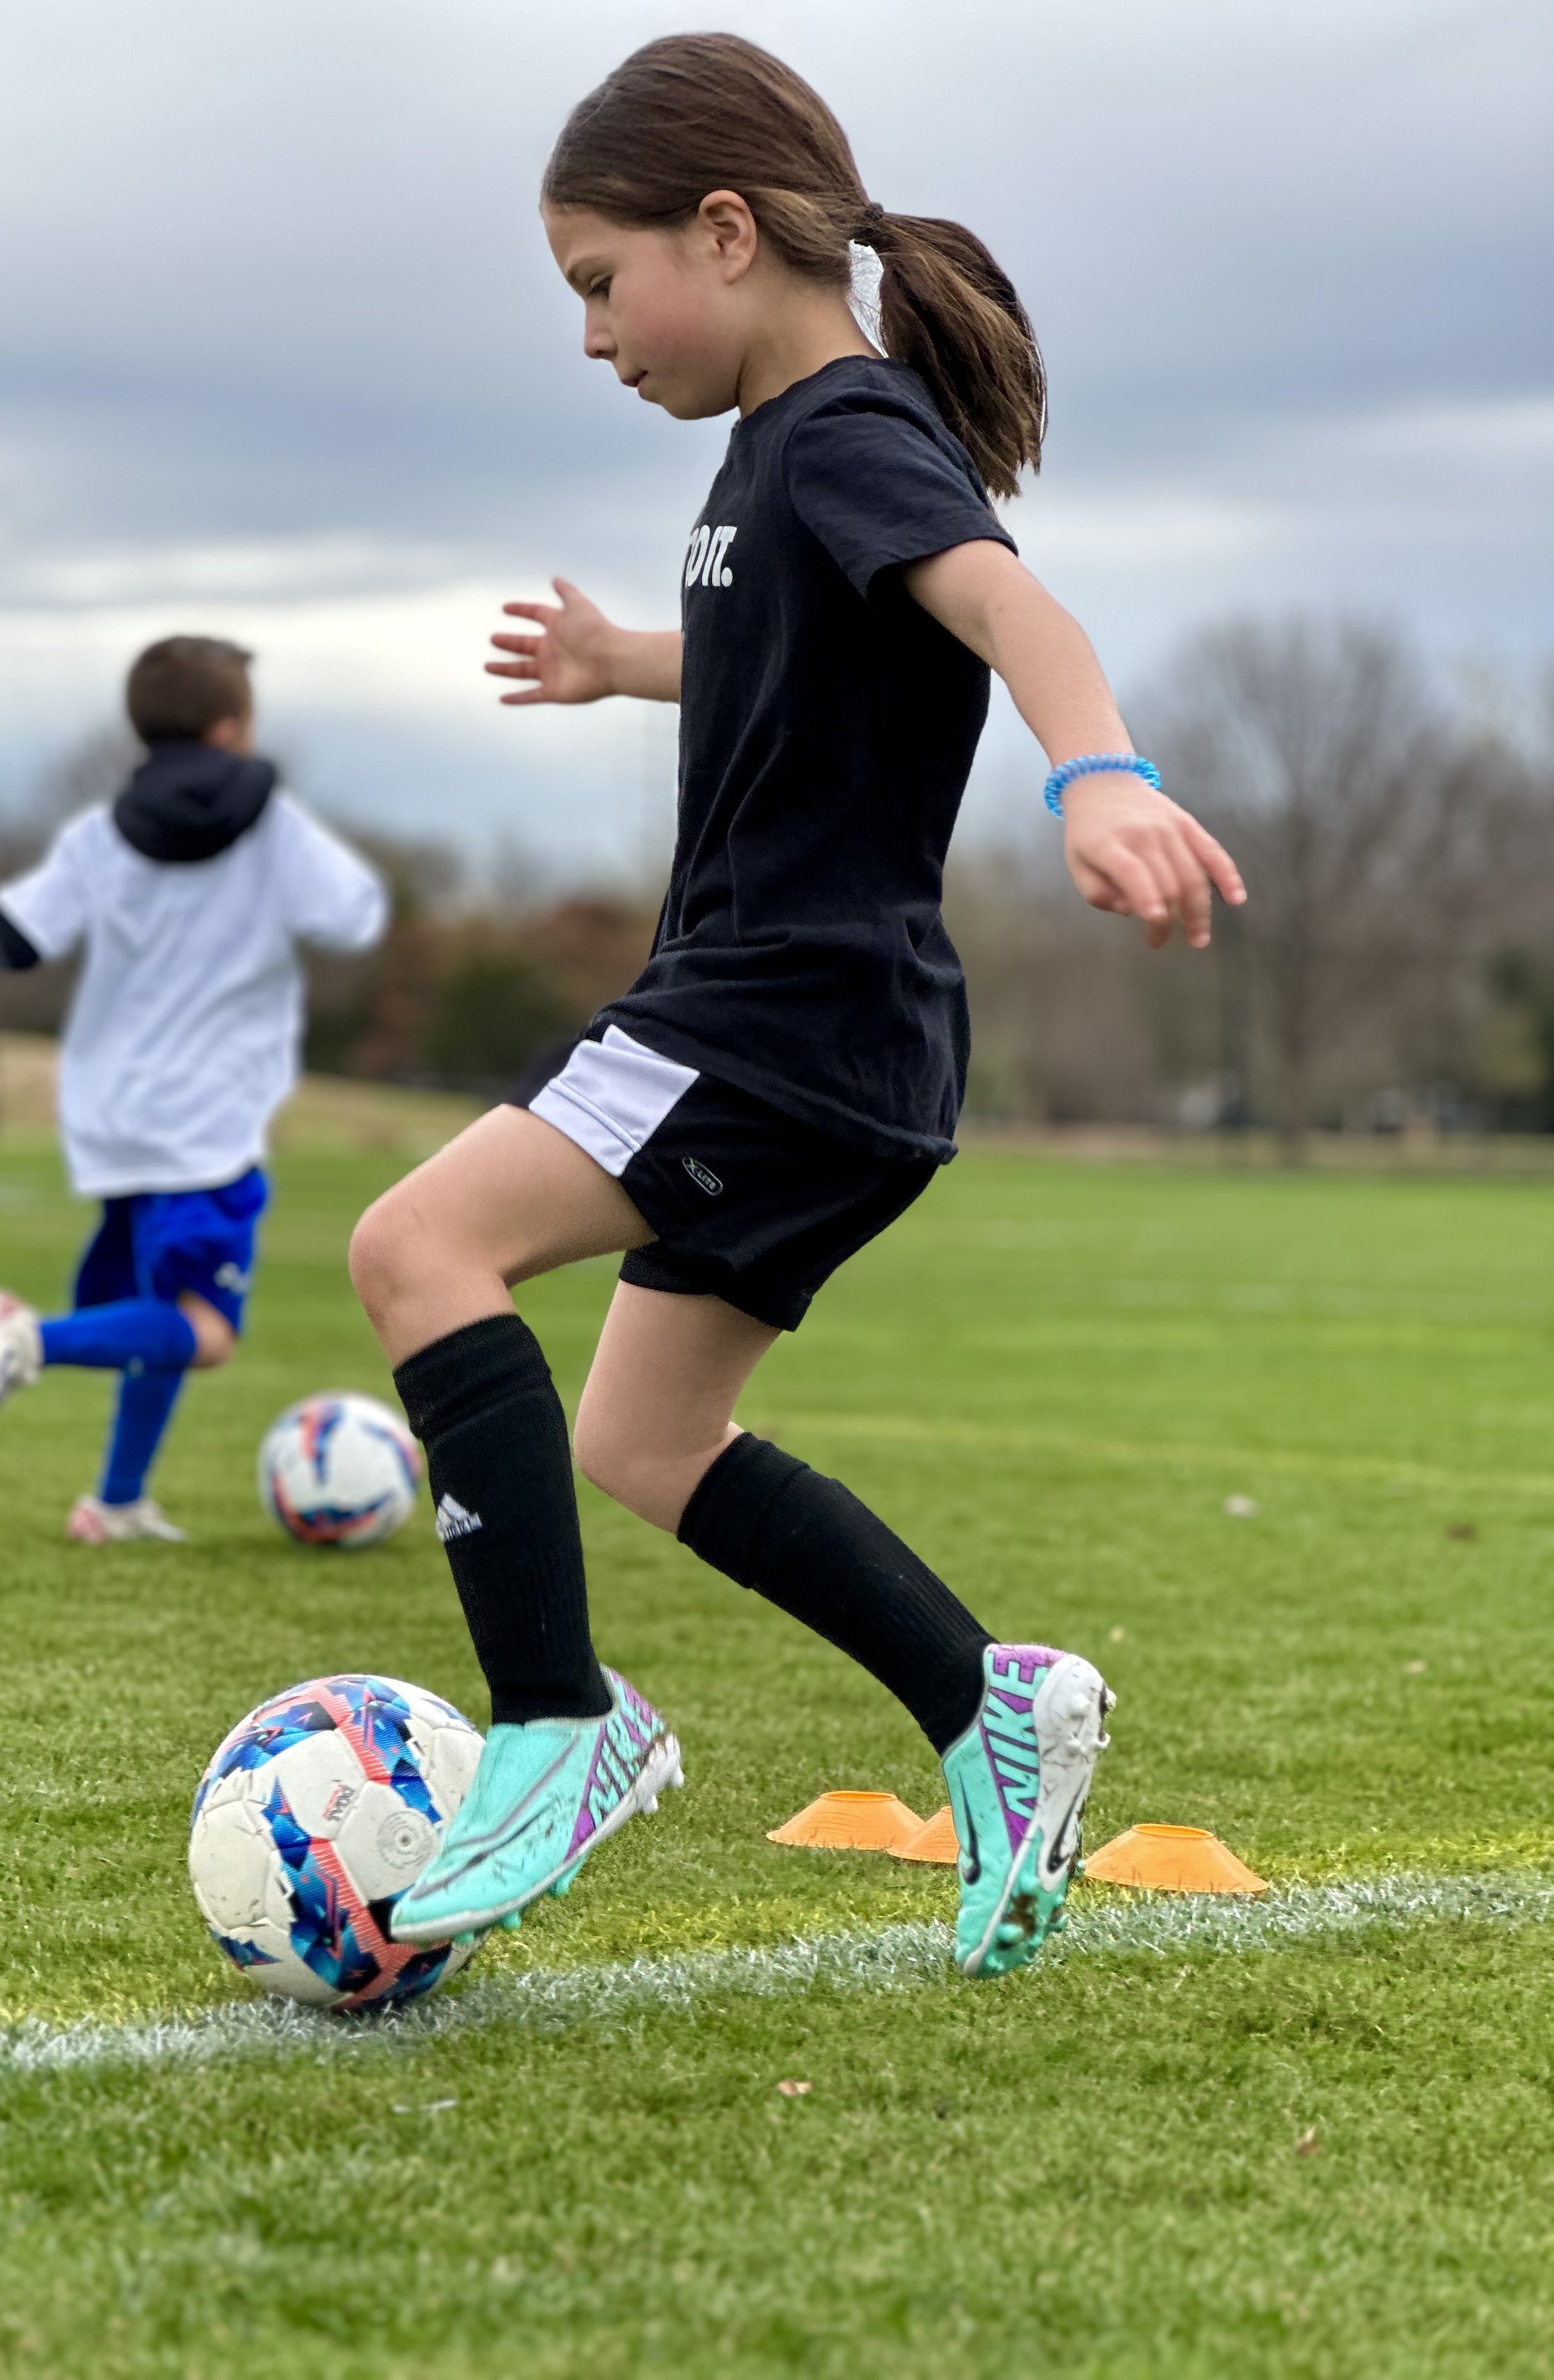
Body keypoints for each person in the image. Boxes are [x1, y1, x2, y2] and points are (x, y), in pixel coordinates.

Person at [349, 35, 1245, 1978]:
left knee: (415, 1243)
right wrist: (627, 660)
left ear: (726, 229)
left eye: (598, 280)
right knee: (641, 1442)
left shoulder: (844, 428)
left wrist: (1097, 773)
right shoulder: (782, 463)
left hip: (768, 1018)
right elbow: (805, 645)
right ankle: (985, 1700)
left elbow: (1013, 609)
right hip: (841, 1045)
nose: (590, 335)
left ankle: (561, 1718)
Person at [0, 634, 389, 1542]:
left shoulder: (101, 833)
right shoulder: (273, 827)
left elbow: (10, 936)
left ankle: (115, 1503)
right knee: (206, 1332)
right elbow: (355, 916)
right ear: (232, 728)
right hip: (208, 1123)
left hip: (110, 1117)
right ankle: (25, 1339)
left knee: (158, 1314)